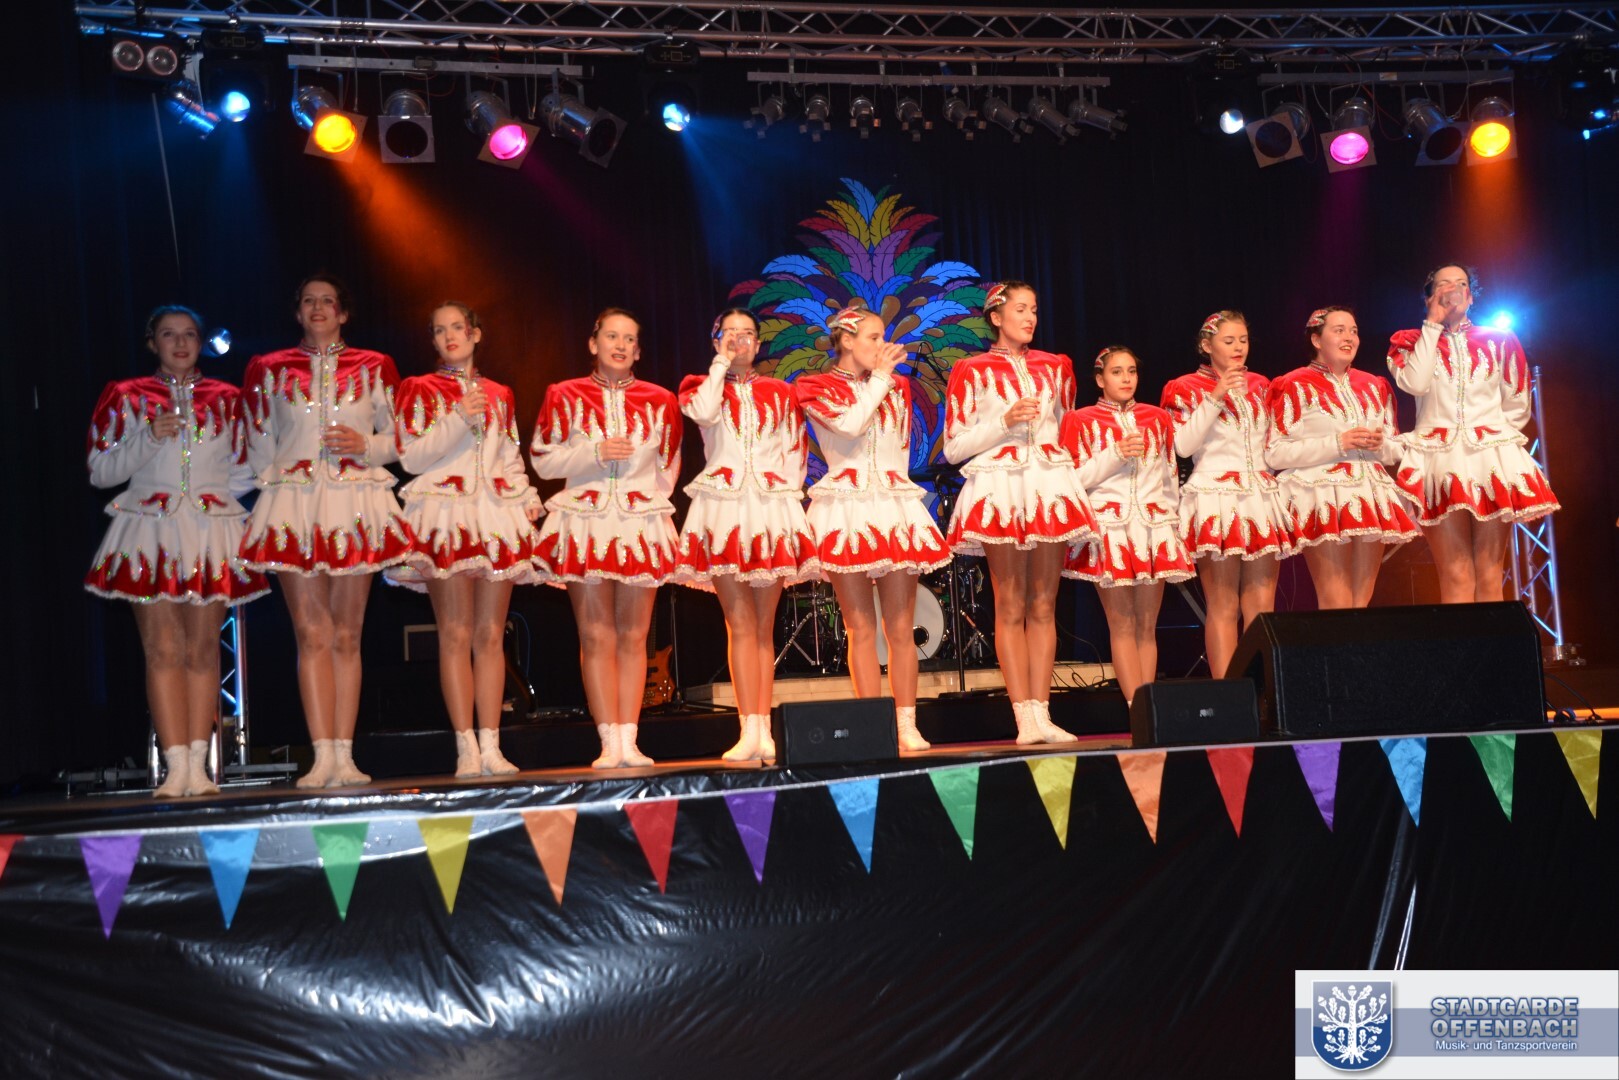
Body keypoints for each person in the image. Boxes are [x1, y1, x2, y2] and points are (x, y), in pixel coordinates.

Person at [86, 305, 270, 798]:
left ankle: (199, 765)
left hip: (208, 532)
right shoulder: (127, 395)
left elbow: (247, 465)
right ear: (153, 343)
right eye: (169, 334)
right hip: (150, 531)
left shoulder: (228, 398)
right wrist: (148, 437)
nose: (181, 343)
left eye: (189, 334)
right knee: (163, 648)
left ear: (200, 342)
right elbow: (101, 470)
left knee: (204, 648)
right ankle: (175, 767)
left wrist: (215, 497)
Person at [238, 275, 414, 788]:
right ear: (298, 313)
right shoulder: (269, 368)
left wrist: (367, 446)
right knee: (311, 632)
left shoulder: (374, 365)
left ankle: (346, 755)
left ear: (343, 313)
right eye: (308, 301)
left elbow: (403, 435)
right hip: (295, 506)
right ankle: (321, 757)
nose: (318, 308)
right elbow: (255, 438)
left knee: (347, 632)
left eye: (328, 301)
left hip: (355, 501)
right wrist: (275, 484)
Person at [388, 302, 543, 778]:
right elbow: (411, 458)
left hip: (494, 515)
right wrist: (456, 415)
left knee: (491, 634)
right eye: (440, 330)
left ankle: (492, 745)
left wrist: (526, 494)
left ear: (476, 334)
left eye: (458, 327)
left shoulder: (500, 393)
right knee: (455, 632)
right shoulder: (418, 388)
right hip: (445, 514)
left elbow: (510, 456)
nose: (449, 336)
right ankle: (465, 748)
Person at [942, 281, 1096, 744]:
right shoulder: (971, 370)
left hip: (1047, 485)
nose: (1030, 318)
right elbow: (953, 448)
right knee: (1009, 602)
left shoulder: (1055, 366)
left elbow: (1065, 428)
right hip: (1002, 488)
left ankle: (1043, 713)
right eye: (1021, 310)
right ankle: (1022, 716)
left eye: (1034, 310)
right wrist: (1004, 422)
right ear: (996, 317)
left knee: (1044, 603)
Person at [530, 308, 681, 769]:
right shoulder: (564, 394)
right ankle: (607, 742)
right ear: (593, 344)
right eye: (612, 336)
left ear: (638, 350)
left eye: (628, 339)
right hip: (585, 521)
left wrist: (644, 500)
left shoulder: (660, 399)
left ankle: (629, 740)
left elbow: (669, 465)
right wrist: (594, 453)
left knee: (634, 636)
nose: (620, 345)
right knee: (596, 634)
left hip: (638, 522)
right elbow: (542, 459)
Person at [796, 305, 950, 751]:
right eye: (873, 337)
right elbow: (848, 427)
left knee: (900, 627)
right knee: (860, 627)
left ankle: (906, 723)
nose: (883, 346)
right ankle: (872, 727)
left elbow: (897, 449)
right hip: (846, 508)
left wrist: (884, 380)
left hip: (891, 505)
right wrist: (881, 378)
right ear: (846, 340)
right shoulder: (815, 386)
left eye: (885, 336)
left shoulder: (899, 386)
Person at [674, 308, 819, 763]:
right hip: (723, 510)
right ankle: (746, 728)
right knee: (738, 623)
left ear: (759, 343)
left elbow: (796, 451)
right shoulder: (699, 385)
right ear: (716, 339)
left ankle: (764, 729)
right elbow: (702, 414)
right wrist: (720, 363)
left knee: (763, 626)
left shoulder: (782, 391)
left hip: (770, 510)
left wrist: (785, 502)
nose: (739, 340)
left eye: (748, 334)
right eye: (730, 333)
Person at [1387, 264, 1559, 602]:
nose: (1454, 290)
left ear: (1470, 296)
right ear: (1429, 296)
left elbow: (1517, 402)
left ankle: (1493, 640)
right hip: (1438, 461)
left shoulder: (1500, 340)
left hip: (1489, 460)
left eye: (1461, 284)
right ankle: (1458, 640)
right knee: (1456, 573)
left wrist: (1493, 438)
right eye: (1444, 284)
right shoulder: (1408, 341)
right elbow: (1415, 383)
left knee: (1490, 572)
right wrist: (1432, 325)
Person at [1161, 311, 1292, 679]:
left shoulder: (1262, 385)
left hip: (1258, 495)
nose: (1238, 348)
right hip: (1215, 495)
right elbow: (1183, 446)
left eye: (1243, 340)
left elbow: (1273, 447)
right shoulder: (1185, 387)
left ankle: (1262, 689)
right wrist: (1216, 396)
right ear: (1207, 345)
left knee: (1262, 605)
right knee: (1223, 604)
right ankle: (1228, 692)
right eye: (1229, 341)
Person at [1060, 347, 1194, 707]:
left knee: (1147, 626)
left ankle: (1149, 709)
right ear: (1099, 379)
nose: (1126, 379)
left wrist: (1172, 521)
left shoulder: (1157, 418)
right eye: (1117, 372)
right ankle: (1136, 708)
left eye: (1131, 371)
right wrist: (1115, 453)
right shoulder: (1079, 420)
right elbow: (1073, 480)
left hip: (1153, 527)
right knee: (1121, 625)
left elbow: (1169, 476)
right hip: (1111, 529)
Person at [1267, 308, 1422, 608]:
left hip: (1370, 493)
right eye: (1338, 331)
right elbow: (1276, 452)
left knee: (1361, 601)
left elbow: (1395, 449)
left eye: (1353, 331)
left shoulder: (1374, 385)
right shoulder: (1293, 384)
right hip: (1323, 494)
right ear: (1316, 340)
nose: (1349, 337)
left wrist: (1380, 445)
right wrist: (1338, 443)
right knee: (1335, 599)